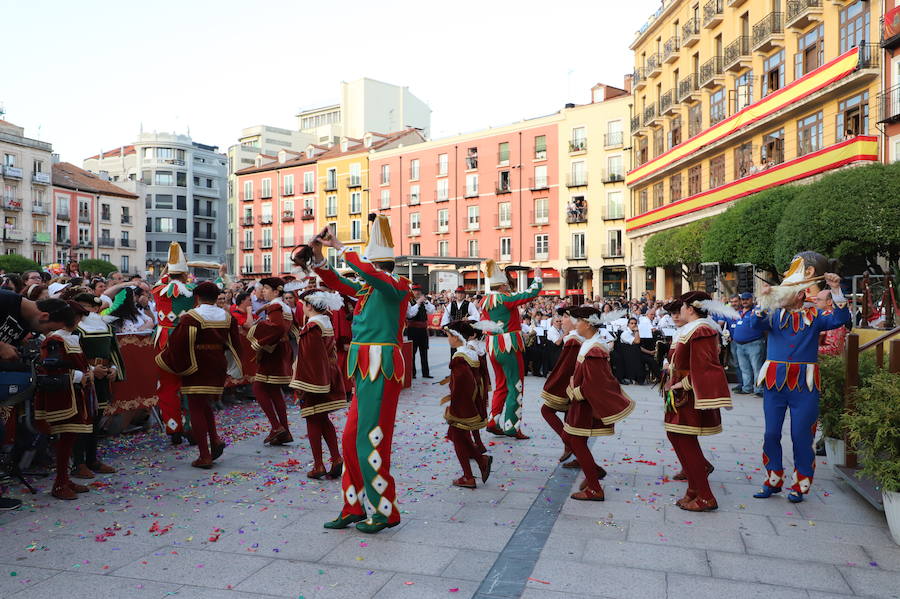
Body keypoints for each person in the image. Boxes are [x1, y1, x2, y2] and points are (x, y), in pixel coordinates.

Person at [311, 214, 411, 534]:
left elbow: (367, 273)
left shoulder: (396, 284)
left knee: (371, 439)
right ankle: (353, 505)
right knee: (350, 438)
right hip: (365, 368)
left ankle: (385, 511)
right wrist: (317, 256)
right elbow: (340, 283)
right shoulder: (371, 289)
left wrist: (342, 247)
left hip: (382, 367)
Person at [747, 254, 849, 503]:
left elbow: (842, 319)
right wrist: (764, 299)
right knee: (771, 433)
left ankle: (801, 484)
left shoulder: (815, 318)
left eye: (788, 289)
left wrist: (835, 290)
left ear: (802, 294)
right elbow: (752, 326)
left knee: (802, 434)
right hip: (774, 382)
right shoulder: (772, 316)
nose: (783, 293)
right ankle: (773, 479)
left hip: (805, 384)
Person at [155, 281, 243, 468]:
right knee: (205, 405)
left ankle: (204, 455)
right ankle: (215, 440)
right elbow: (235, 343)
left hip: (197, 365)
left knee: (195, 407)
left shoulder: (191, 317)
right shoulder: (226, 316)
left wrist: (172, 362)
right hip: (218, 364)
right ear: (215, 297)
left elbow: (178, 345)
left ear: (197, 297)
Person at [661, 292, 733, 512]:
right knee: (675, 435)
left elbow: (707, 365)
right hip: (679, 393)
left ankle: (706, 496)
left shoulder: (701, 329)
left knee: (686, 441)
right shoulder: (692, 328)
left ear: (690, 309)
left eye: (681, 307)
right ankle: (693, 490)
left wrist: (684, 383)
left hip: (689, 395)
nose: (678, 311)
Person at [564, 306, 635, 501]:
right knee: (577, 441)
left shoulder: (595, 348)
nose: (575, 324)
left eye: (578, 321)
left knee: (577, 441)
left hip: (585, 405)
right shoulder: (590, 344)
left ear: (587, 323)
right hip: (581, 404)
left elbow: (595, 383)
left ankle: (594, 487)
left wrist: (574, 389)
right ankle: (593, 475)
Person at [33, 300, 93, 499]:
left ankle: (64, 479)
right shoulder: (55, 340)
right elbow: (50, 367)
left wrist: (90, 372)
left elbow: (78, 363)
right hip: (63, 396)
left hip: (74, 394)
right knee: (65, 440)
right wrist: (79, 376)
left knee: (69, 439)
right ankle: (59, 483)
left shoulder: (69, 338)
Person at [480, 259, 542, 439]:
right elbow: (530, 294)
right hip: (508, 346)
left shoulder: (485, 301)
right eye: (507, 285)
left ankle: (493, 420)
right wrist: (537, 278)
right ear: (502, 286)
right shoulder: (505, 299)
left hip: (493, 347)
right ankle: (511, 427)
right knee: (516, 385)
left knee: (500, 385)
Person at [291, 288, 346, 479]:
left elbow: (310, 360)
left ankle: (318, 465)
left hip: (316, 380)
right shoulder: (326, 321)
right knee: (323, 419)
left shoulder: (312, 326)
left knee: (313, 419)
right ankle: (336, 458)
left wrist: (302, 387)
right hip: (329, 374)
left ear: (308, 305)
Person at [71, 293, 124, 479]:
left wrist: (114, 369)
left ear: (96, 308)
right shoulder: (75, 328)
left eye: (89, 306)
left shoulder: (106, 326)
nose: (86, 310)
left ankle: (92, 459)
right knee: (82, 421)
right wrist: (92, 370)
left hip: (102, 377)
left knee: (96, 419)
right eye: (82, 306)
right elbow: (73, 355)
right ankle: (79, 463)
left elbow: (113, 351)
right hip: (84, 377)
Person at [442, 320, 492, 489]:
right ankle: (481, 461)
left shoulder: (460, 358)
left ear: (456, 337)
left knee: (457, 438)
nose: (447, 339)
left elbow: (464, 385)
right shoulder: (471, 354)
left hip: (462, 408)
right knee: (460, 437)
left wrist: (456, 410)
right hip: (469, 404)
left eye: (449, 335)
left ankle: (469, 476)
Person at [247, 277, 294, 446]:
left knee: (258, 388)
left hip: (272, 351)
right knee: (274, 391)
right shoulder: (284, 306)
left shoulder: (275, 306)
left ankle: (276, 427)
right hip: (281, 349)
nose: (263, 291)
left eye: (266, 288)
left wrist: (259, 342)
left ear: (276, 291)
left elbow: (277, 328)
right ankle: (285, 431)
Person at [539, 308, 582, 468]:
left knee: (547, 410)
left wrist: (553, 386)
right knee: (571, 422)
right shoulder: (574, 338)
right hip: (574, 387)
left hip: (571, 387)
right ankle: (576, 454)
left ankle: (572, 447)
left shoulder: (573, 340)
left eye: (565, 317)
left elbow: (565, 368)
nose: (561, 320)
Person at [730, 292, 766, 396]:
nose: (744, 301)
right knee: (744, 368)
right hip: (739, 345)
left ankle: (759, 389)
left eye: (747, 299)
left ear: (752, 300)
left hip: (754, 343)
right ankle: (747, 388)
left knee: (757, 367)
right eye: (743, 299)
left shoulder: (756, 311)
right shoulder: (739, 312)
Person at [440, 286, 480, 361]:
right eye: (458, 293)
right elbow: (445, 317)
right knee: (453, 352)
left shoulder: (469, 304)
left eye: (461, 293)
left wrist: (468, 318)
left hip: (465, 332)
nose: (460, 295)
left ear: (464, 294)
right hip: (454, 332)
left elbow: (476, 316)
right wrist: (444, 326)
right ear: (455, 294)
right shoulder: (451, 305)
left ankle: (465, 370)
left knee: (465, 352)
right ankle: (454, 371)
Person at [405, 284, 435, 378]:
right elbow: (410, 315)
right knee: (412, 352)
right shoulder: (409, 301)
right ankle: (412, 373)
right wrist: (418, 303)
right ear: (412, 291)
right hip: (413, 330)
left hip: (423, 330)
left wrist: (425, 302)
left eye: (418, 290)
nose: (417, 292)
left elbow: (431, 311)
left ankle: (425, 373)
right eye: (415, 290)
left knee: (424, 351)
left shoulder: (424, 302)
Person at [815, 289, 848, 356]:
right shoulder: (821, 316)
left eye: (818, 299)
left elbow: (834, 349)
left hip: (829, 362)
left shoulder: (833, 318)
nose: (815, 302)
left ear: (829, 302)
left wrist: (809, 349)